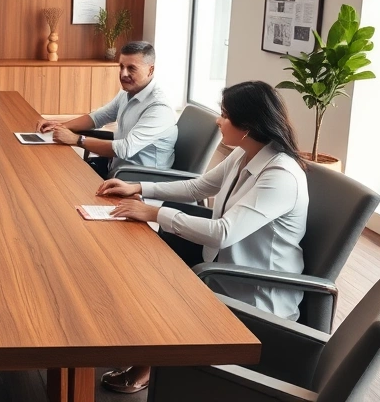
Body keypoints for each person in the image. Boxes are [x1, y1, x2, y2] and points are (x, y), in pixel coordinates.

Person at [95, 80, 309, 394]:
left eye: (224, 115)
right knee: (147, 262)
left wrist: (154, 213)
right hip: (223, 266)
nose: (217, 121)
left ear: (247, 126)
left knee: (161, 274)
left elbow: (223, 233)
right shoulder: (245, 154)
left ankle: (149, 364)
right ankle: (143, 350)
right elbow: (198, 187)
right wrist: (140, 188)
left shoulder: (280, 176)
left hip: (253, 290)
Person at [35, 41, 177, 179]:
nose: (123, 74)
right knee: (58, 174)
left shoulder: (158, 108)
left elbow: (125, 149)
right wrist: (59, 126)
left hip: (138, 181)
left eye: (131, 68)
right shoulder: (127, 93)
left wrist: (76, 139)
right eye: (121, 67)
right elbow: (97, 118)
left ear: (150, 70)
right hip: (117, 171)